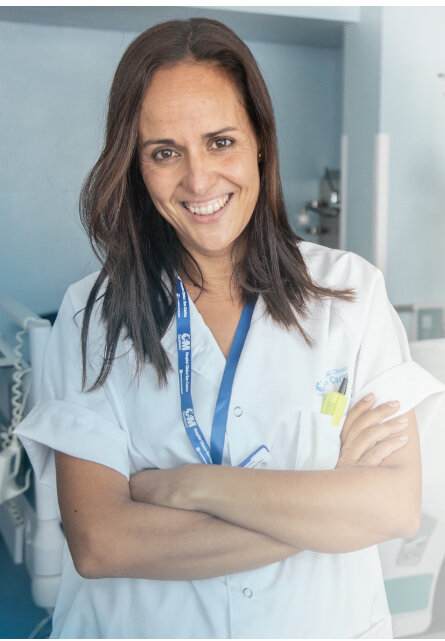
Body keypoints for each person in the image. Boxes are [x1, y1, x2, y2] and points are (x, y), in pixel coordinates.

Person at [16, 17, 445, 639]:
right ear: (134, 166)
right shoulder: (92, 317)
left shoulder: (351, 295)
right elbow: (104, 543)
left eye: (221, 141)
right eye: (164, 152)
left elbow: (392, 508)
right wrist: (324, 504)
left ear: (260, 143)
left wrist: (186, 487)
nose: (198, 180)